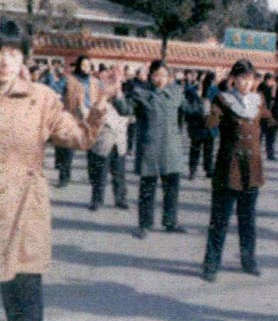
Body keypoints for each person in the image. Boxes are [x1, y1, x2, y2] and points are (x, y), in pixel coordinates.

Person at [0, 28, 116, 321]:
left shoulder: (41, 99)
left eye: (13, 53)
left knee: (24, 307)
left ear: (23, 59)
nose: (4, 61)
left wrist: (100, 103)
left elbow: (82, 137)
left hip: (24, 213)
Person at [202, 60, 275, 281]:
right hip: (228, 169)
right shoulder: (222, 99)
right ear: (233, 79)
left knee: (248, 220)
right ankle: (211, 265)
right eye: (241, 78)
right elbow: (210, 123)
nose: (245, 83)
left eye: (249, 79)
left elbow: (272, 121)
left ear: (254, 81)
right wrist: (208, 98)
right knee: (220, 220)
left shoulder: (258, 100)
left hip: (251, 170)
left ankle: (248, 260)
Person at [113, 60, 188, 239]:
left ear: (169, 77)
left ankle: (170, 221)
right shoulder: (141, 94)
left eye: (164, 75)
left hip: (171, 148)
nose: (160, 79)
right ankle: (145, 224)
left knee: (172, 189)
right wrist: (117, 93)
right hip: (150, 148)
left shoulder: (176, 93)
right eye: (156, 75)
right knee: (147, 190)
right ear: (150, 76)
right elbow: (125, 110)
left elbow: (189, 110)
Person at [87, 70, 130, 211]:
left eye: (119, 82)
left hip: (119, 141)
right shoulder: (100, 97)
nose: (116, 85)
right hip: (103, 141)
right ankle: (96, 200)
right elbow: (93, 116)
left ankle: (120, 198)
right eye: (113, 81)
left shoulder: (124, 99)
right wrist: (104, 97)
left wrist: (119, 95)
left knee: (119, 174)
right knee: (100, 174)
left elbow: (129, 115)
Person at [55, 55, 99, 188]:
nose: (85, 68)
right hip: (72, 117)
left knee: (92, 150)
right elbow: (56, 91)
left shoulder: (94, 82)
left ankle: (93, 176)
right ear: (78, 66)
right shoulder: (69, 80)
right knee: (68, 149)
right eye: (83, 65)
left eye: (88, 65)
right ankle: (64, 178)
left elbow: (102, 96)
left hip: (90, 118)